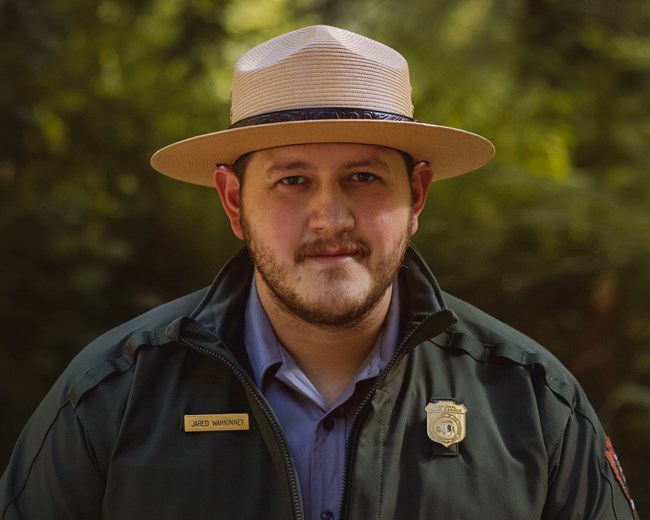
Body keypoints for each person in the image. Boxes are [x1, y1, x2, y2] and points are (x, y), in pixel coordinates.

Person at [0, 25, 638, 520]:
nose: (329, 218)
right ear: (232, 202)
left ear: (416, 195)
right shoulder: (112, 395)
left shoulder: (531, 401)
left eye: (363, 177)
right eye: (292, 180)